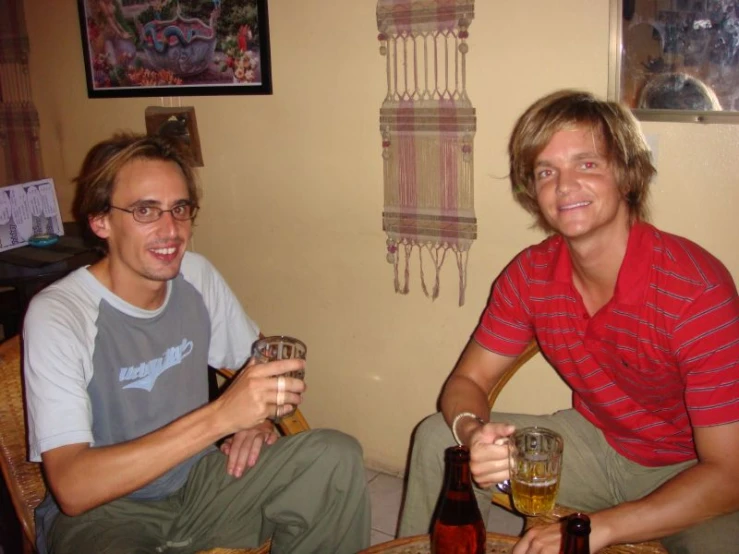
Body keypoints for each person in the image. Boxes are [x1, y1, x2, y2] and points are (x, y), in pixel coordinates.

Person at [398, 89, 739, 553]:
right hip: (596, 446)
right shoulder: (530, 274)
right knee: (440, 439)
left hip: (690, 469)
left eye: (587, 164)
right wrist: (473, 433)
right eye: (546, 171)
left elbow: (729, 473)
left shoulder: (696, 291)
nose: (563, 185)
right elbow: (467, 379)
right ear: (532, 192)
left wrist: (603, 527)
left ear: (626, 174)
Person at [23, 132, 371, 554]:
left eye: (180, 209)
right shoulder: (59, 315)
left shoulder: (197, 276)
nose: (171, 230)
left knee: (334, 458)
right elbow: (73, 489)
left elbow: (260, 364)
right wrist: (223, 416)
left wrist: (256, 421)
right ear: (101, 221)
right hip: (105, 514)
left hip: (200, 481)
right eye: (145, 210)